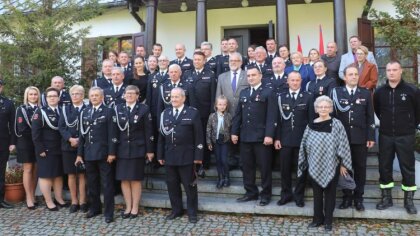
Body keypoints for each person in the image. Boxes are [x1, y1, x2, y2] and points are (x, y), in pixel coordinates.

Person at [298, 95, 352, 231]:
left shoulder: (337, 124)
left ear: (330, 108)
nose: (323, 109)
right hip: (314, 165)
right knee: (317, 194)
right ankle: (317, 219)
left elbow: (343, 144)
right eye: (320, 107)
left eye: (326, 106)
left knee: (330, 194)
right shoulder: (310, 125)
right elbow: (303, 145)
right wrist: (304, 162)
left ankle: (328, 221)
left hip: (332, 165)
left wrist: (343, 164)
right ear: (316, 109)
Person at [373, 61, 420, 214]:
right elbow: (378, 110)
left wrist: (410, 125)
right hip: (386, 135)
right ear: (385, 72)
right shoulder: (380, 91)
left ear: (401, 71)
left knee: (408, 167)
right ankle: (387, 198)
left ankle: (409, 201)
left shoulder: (412, 90)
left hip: (406, 136)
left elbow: (418, 112)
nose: (391, 73)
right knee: (384, 166)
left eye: (394, 70)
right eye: (388, 70)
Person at [331, 65, 375, 212]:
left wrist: (370, 136)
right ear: (345, 77)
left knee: (360, 168)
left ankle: (358, 198)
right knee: (344, 169)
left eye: (356, 74)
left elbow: (370, 117)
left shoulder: (366, 93)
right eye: (351, 74)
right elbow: (332, 116)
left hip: (360, 138)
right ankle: (347, 197)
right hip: (341, 139)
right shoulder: (336, 92)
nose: (354, 77)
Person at [231, 66, 277, 206]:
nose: (250, 78)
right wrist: (234, 132)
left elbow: (272, 115)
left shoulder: (268, 92)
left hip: (262, 137)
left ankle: (265, 195)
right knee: (247, 166)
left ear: (260, 76)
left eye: (253, 75)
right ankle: (250, 192)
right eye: (249, 75)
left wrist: (269, 135)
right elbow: (238, 114)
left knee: (264, 167)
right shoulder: (244, 92)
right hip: (245, 136)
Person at [157, 87, 204, 224]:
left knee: (190, 187)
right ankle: (176, 210)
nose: (174, 99)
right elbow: (161, 136)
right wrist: (160, 154)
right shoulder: (165, 113)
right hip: (170, 156)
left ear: (183, 98)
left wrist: (198, 156)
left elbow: (199, 137)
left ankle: (192, 213)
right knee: (172, 185)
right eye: (172, 97)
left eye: (177, 97)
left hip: (187, 156)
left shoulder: (192, 113)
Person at [76, 87, 118, 223]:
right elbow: (82, 136)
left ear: (102, 97)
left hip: (104, 154)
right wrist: (79, 154)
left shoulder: (108, 111)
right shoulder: (85, 112)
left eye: (96, 95)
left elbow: (113, 134)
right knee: (92, 183)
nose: (94, 97)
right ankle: (94, 208)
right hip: (89, 154)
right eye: (92, 95)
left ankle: (108, 213)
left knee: (107, 184)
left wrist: (112, 152)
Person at [274, 71, 314, 207]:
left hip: (302, 141)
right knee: (284, 170)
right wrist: (277, 138)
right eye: (292, 80)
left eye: (297, 80)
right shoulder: (280, 97)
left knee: (301, 170)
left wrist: (309, 140)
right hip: (284, 140)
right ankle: (285, 195)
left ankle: (299, 196)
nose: (295, 82)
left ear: (301, 81)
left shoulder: (308, 97)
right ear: (288, 81)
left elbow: (311, 121)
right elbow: (277, 121)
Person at [114, 85, 154, 219]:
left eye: (132, 93)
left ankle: (135, 208)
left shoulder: (143, 109)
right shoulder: (118, 108)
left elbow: (148, 131)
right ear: (124, 95)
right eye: (127, 93)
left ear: (137, 96)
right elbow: (114, 131)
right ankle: (128, 206)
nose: (129, 95)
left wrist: (149, 150)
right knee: (124, 179)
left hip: (138, 148)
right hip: (122, 149)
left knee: (135, 179)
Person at [32, 87, 67, 211]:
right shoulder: (40, 112)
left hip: (60, 148)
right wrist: (40, 148)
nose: (52, 98)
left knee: (58, 175)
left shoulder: (62, 110)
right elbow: (35, 133)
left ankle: (59, 198)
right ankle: (48, 201)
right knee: (46, 175)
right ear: (46, 99)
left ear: (58, 98)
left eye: (54, 96)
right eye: (49, 96)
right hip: (45, 150)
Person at [183, 52, 216, 169]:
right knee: (192, 137)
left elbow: (213, 96)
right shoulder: (187, 74)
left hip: (205, 113)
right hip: (190, 113)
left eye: (199, 59)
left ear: (204, 61)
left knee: (203, 137)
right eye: (195, 59)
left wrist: (212, 112)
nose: (196, 61)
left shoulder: (210, 74)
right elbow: (184, 95)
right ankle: (193, 162)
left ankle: (205, 162)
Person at [216, 52, 249, 170]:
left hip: (244, 114)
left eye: (236, 61)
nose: (233, 63)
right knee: (228, 139)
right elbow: (218, 96)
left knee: (243, 139)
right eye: (231, 61)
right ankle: (230, 162)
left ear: (241, 62)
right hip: (227, 113)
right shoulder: (222, 77)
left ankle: (242, 163)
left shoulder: (247, 75)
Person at [58, 85, 88, 213]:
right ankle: (74, 201)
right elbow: (61, 127)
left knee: (82, 175)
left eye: (78, 94)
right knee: (71, 174)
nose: (75, 96)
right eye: (73, 94)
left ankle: (83, 201)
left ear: (82, 95)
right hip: (68, 146)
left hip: (85, 146)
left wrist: (80, 141)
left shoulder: (88, 109)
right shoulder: (65, 109)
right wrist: (70, 139)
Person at [15, 86, 40, 209]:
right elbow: (22, 128)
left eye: (35, 94)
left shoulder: (41, 109)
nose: (33, 96)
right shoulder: (22, 109)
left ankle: (33, 195)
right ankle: (28, 197)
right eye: (31, 94)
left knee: (36, 169)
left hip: (39, 143)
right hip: (26, 143)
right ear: (27, 96)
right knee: (28, 169)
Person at [206, 95, 233, 188]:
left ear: (226, 106)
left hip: (225, 140)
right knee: (218, 160)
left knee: (224, 160)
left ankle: (227, 178)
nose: (222, 106)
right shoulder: (212, 116)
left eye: (224, 104)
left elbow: (231, 128)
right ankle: (220, 178)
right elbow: (208, 129)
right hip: (216, 141)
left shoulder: (228, 116)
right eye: (220, 104)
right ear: (216, 105)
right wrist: (209, 142)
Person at [0, 79, 16, 209]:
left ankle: (0, 199)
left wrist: (12, 143)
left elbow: (13, 125)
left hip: (3, 142)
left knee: (1, 172)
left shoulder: (8, 103)